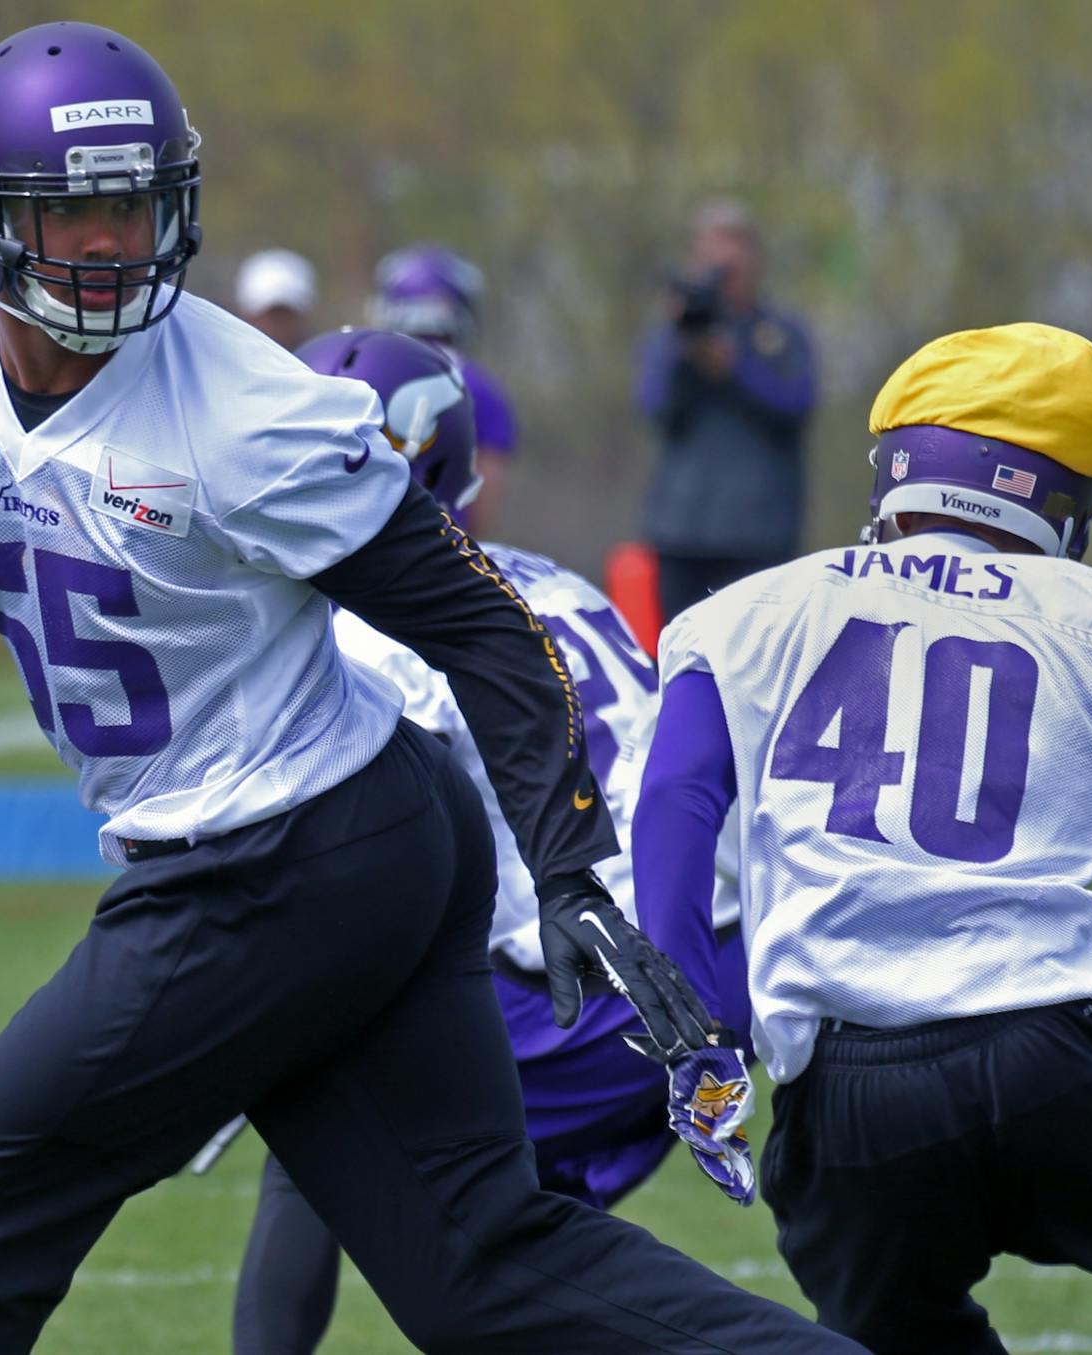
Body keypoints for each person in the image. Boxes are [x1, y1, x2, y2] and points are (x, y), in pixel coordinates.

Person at [0, 22, 859, 1355]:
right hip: (336, 842)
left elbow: (484, 625)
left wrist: (567, 870)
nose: (107, 242)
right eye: (71, 208)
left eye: (132, 203)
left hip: (280, 855)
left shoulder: (249, 413)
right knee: (478, 1268)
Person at [632, 322, 1092, 1354]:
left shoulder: (751, 612)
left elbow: (675, 804)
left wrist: (694, 1031)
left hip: (855, 1094)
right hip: (1063, 1055)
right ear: (1065, 499)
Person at [228, 327, 754, 1355]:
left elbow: (365, 854)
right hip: (706, 958)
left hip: (589, 987)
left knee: (321, 1133)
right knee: (538, 1260)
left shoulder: (362, 628)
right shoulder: (556, 581)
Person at [635, 199, 816, 622]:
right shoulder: (670, 334)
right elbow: (657, 411)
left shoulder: (784, 333)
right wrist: (688, 353)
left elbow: (795, 408)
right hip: (682, 534)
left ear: (756, 259)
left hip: (759, 536)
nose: (725, 260)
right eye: (713, 247)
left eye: (737, 245)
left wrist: (734, 368)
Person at [368, 243, 520, 533]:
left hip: (363, 550)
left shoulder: (363, 373)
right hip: (443, 549)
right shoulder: (480, 386)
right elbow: (486, 484)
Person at [234, 248, 318, 351]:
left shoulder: (322, 362)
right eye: (271, 314)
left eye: (286, 313)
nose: (279, 325)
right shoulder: (225, 360)